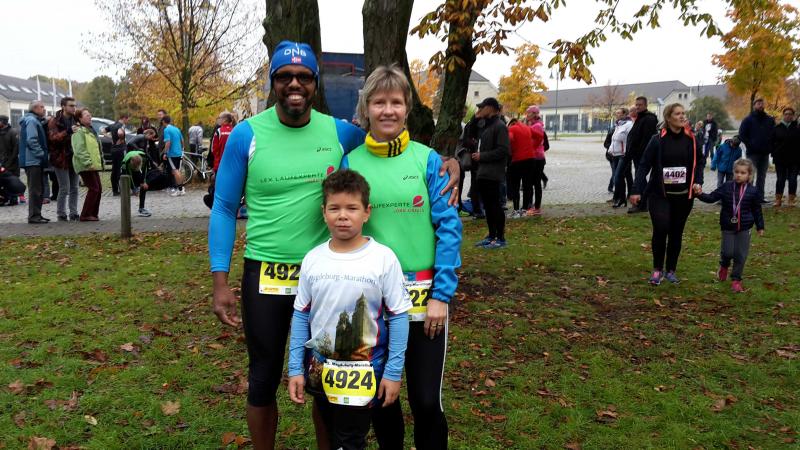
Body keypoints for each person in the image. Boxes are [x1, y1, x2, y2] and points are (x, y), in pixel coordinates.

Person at [341, 64, 462, 450]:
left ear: (407, 107)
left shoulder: (428, 161)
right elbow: (342, 229)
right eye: (379, 102)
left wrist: (441, 295)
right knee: (381, 399)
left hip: (426, 302)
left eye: (396, 102)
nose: (388, 110)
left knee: (426, 401)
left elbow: (449, 229)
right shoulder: (352, 162)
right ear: (366, 108)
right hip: (373, 304)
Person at [287, 169, 412, 450]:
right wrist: (295, 368)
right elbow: (301, 315)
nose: (343, 215)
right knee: (334, 434)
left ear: (367, 212)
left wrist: (393, 372)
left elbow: (399, 317)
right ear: (324, 212)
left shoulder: (383, 259)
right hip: (322, 368)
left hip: (367, 368)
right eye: (335, 208)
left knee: (350, 439)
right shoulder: (313, 259)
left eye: (352, 208)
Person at [629, 103, 703, 285]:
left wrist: (698, 181)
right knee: (661, 228)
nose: (682, 116)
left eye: (683, 113)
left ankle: (671, 270)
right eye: (677, 114)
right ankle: (657, 269)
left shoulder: (691, 140)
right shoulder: (657, 140)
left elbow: (699, 163)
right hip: (660, 194)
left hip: (683, 196)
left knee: (676, 232)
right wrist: (636, 189)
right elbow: (644, 165)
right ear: (668, 118)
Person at [694, 158, 764, 293]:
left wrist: (760, 226)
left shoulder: (753, 191)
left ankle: (736, 280)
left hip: (745, 227)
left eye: (743, 173)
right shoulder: (726, 186)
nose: (739, 175)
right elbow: (712, 197)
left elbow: (757, 210)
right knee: (727, 252)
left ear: (749, 175)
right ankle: (724, 265)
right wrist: (700, 194)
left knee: (740, 255)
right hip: (728, 226)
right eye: (737, 172)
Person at [472, 97, 510, 248]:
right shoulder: (486, 125)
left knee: (495, 205)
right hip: (483, 172)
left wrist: (482, 156)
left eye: (483, 107)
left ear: (491, 108)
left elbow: (503, 150)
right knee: (488, 206)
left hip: (493, 173)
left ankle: (500, 238)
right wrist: (475, 119)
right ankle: (491, 235)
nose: (480, 110)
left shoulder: (500, 126)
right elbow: (470, 132)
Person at [47, 96, 80, 221]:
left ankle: (74, 213)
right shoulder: (54, 121)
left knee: (75, 187)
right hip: (60, 159)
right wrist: (68, 131)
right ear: (63, 107)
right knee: (64, 188)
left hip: (74, 157)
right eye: (71, 105)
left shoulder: (76, 119)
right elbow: (53, 138)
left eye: (74, 105)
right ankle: (61, 213)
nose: (74, 108)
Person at [625, 96, 659, 213]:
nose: (637, 107)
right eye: (636, 105)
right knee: (641, 179)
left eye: (640, 105)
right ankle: (643, 203)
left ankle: (643, 203)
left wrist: (641, 153)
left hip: (643, 155)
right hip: (636, 154)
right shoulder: (640, 117)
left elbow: (647, 139)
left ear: (645, 105)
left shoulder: (649, 119)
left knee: (641, 179)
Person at [18, 100, 50, 224]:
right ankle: (33, 216)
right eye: (42, 107)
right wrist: (41, 154)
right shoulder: (31, 121)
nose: (44, 109)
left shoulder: (34, 120)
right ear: (35, 108)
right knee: (35, 190)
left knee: (39, 189)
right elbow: (31, 140)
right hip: (32, 161)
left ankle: (37, 215)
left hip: (34, 160)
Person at [738, 98, 775, 202]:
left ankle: (760, 197)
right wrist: (750, 145)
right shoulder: (748, 120)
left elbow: (773, 135)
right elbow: (742, 135)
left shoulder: (769, 120)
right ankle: (748, 197)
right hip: (752, 153)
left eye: (762, 104)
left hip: (765, 153)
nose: (760, 105)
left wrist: (770, 147)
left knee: (762, 176)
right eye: (758, 104)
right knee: (751, 175)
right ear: (754, 105)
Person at [71, 108, 103, 221]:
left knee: (98, 188)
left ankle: (93, 214)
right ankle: (85, 215)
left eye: (90, 114)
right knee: (94, 188)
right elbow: (79, 150)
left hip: (92, 165)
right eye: (86, 115)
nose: (90, 116)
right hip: (85, 165)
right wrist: (88, 163)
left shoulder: (90, 130)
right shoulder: (79, 132)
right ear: (79, 119)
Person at [771, 107, 799, 207]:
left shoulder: (797, 128)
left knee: (793, 179)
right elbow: (771, 142)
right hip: (780, 159)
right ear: (783, 115)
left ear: (793, 116)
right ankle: (778, 199)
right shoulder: (777, 128)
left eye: (790, 114)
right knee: (780, 179)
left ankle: (791, 200)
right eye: (786, 114)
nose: (788, 116)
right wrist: (774, 153)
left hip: (794, 159)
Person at [507, 118, 536, 216]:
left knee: (515, 185)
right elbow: (540, 135)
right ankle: (525, 209)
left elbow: (510, 139)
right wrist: (534, 146)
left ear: (511, 123)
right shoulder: (527, 128)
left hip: (518, 160)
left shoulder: (512, 128)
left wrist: (511, 150)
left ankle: (516, 210)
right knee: (527, 185)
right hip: (531, 159)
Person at [524, 105, 547, 216]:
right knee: (532, 182)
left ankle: (537, 207)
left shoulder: (537, 126)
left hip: (537, 158)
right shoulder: (533, 125)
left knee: (536, 183)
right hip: (534, 157)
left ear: (534, 114)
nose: (526, 114)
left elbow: (535, 142)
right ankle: (533, 206)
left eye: (528, 112)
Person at [610, 107, 634, 208]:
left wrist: (627, 152)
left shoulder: (629, 125)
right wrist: (610, 150)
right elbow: (614, 140)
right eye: (616, 113)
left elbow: (629, 139)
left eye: (619, 113)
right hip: (615, 154)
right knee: (618, 177)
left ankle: (621, 198)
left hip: (623, 155)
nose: (617, 115)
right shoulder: (618, 125)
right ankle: (622, 199)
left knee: (618, 177)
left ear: (625, 114)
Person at [0, 115, 23, 205]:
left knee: (13, 179)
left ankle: (14, 198)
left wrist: (10, 161)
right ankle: (4, 198)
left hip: (12, 162)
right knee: (3, 180)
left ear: (3, 122)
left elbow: (16, 148)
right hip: (2, 162)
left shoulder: (13, 132)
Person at [160, 115, 185, 196]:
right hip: (179, 152)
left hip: (172, 154)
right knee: (177, 171)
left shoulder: (166, 130)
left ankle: (180, 190)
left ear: (163, 121)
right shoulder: (176, 129)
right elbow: (182, 140)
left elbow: (168, 142)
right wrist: (182, 150)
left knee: (175, 171)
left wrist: (165, 153)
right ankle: (182, 188)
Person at [108, 114, 130, 196]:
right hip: (121, 149)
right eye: (127, 120)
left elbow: (102, 130)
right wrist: (121, 139)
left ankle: (115, 190)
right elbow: (120, 133)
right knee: (122, 167)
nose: (127, 122)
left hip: (113, 149)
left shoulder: (112, 125)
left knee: (114, 169)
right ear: (124, 118)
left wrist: (110, 137)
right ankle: (123, 189)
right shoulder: (121, 125)